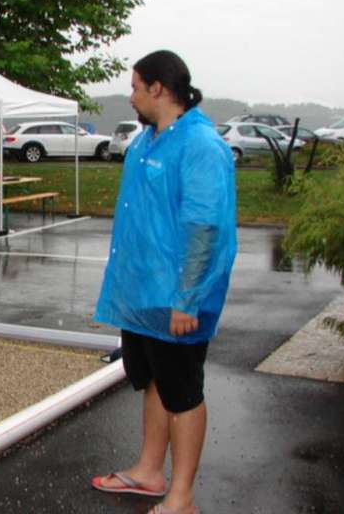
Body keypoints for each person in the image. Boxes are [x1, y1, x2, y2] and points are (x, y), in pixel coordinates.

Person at [90, 51, 237, 514]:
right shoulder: (147, 140)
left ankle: (182, 497)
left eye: (135, 87)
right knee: (152, 381)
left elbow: (203, 227)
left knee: (183, 394)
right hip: (140, 296)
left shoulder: (199, 145)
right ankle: (150, 472)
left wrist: (187, 299)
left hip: (177, 300)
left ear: (158, 88)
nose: (130, 96)